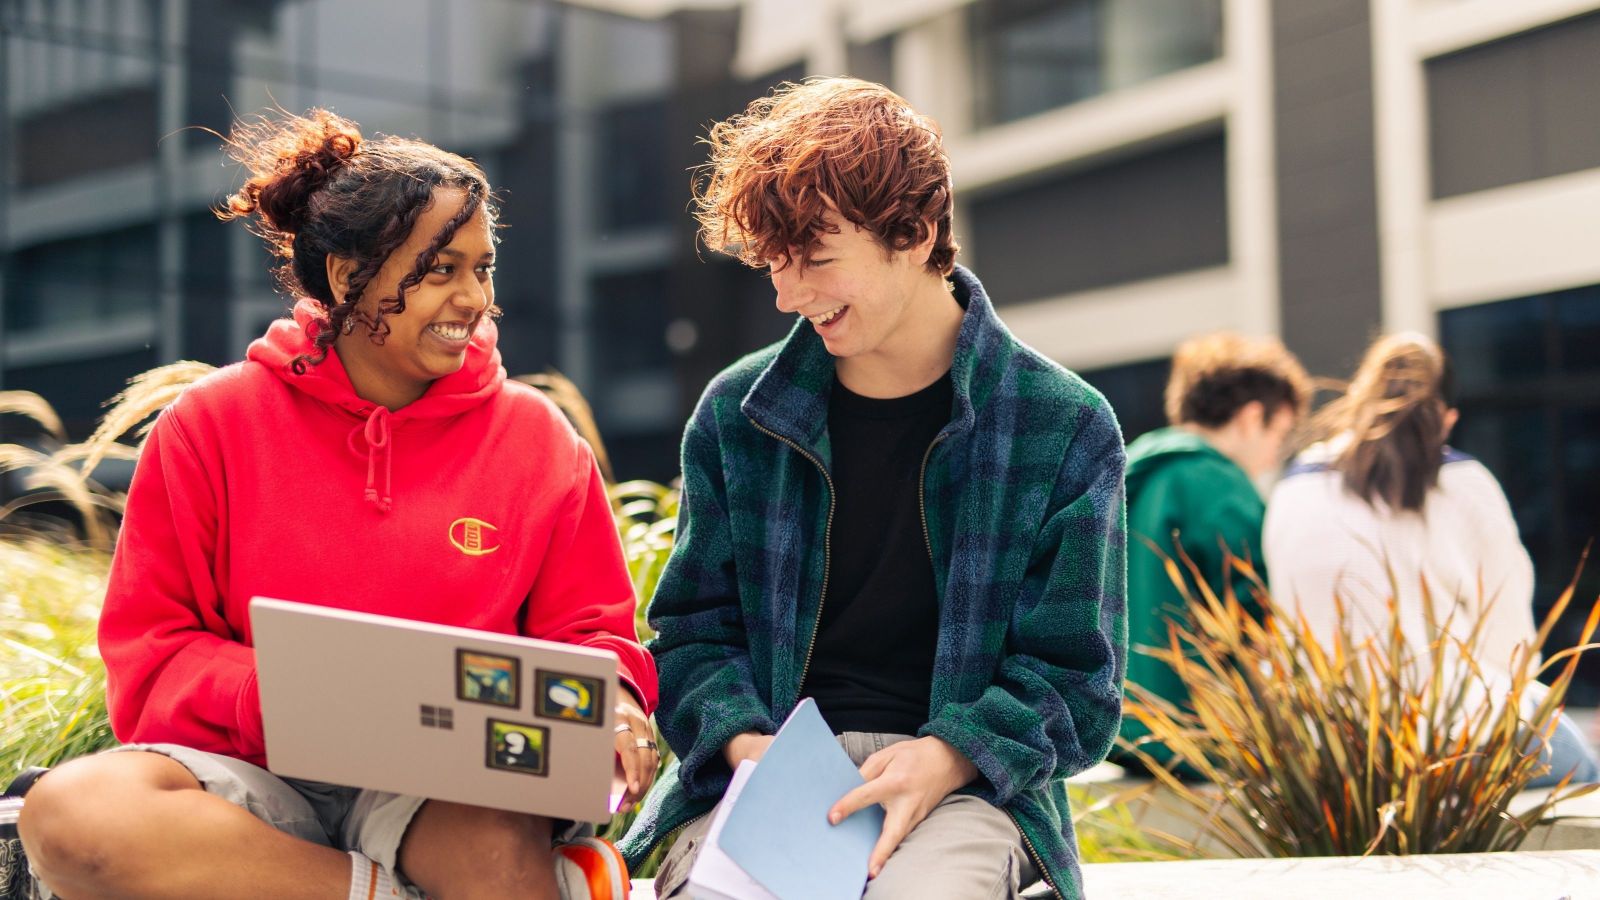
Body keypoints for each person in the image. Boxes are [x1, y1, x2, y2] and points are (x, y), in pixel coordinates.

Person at [15, 109, 658, 900]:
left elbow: (590, 630)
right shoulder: (211, 424)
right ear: (352, 276)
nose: (473, 298)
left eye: (482, 269)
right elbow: (153, 654)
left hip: (443, 782)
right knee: (72, 813)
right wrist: (296, 697)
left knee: (494, 847)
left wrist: (619, 704)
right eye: (440, 269)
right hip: (247, 767)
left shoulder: (535, 439)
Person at [619, 78, 1128, 900]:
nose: (788, 295)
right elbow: (690, 635)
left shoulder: (1061, 425)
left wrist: (947, 755)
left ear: (916, 232)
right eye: (775, 266)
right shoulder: (736, 415)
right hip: (769, 775)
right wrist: (752, 750)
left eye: (816, 259)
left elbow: (1079, 680)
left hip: (963, 785)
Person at [1264, 333, 1599, 786]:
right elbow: (1511, 642)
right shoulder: (1465, 481)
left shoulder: (1294, 489)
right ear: (1446, 419)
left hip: (1330, 747)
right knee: (1584, 769)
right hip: (1462, 737)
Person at [1112, 333, 1310, 773]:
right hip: (1203, 738)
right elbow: (1259, 616)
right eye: (1279, 433)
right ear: (1252, 417)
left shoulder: (1125, 478)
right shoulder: (1221, 486)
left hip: (1122, 734)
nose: (1275, 453)